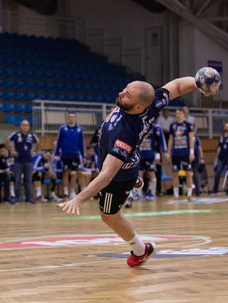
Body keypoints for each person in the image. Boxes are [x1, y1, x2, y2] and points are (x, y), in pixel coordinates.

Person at [58, 73, 216, 268]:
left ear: (138, 107)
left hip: (117, 176)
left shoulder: (125, 134)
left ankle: (141, 250)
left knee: (108, 216)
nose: (120, 93)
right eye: (125, 89)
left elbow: (107, 174)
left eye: (126, 95)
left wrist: (79, 199)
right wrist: (198, 82)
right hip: (127, 161)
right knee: (119, 171)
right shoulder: (151, 104)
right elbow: (176, 85)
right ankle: (134, 181)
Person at [55, 112, 85, 200]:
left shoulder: (79, 129)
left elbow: (81, 143)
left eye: (73, 117)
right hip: (65, 155)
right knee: (66, 173)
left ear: (75, 118)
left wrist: (83, 156)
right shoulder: (63, 128)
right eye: (70, 117)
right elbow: (59, 141)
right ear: (68, 118)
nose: (71, 118)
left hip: (75, 154)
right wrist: (56, 153)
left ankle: (83, 192)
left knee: (79, 173)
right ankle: (66, 194)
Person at [167, 109, 196, 200]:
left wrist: (191, 152)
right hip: (176, 153)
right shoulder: (173, 126)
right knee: (175, 174)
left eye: (180, 113)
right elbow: (170, 139)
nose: (178, 115)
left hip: (186, 153)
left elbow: (191, 139)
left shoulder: (188, 125)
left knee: (188, 174)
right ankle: (176, 195)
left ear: (184, 114)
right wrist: (168, 152)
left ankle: (189, 195)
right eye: (176, 113)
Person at [8, 120, 39, 204]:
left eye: (27, 125)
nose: (25, 127)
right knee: (17, 180)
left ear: (29, 127)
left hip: (28, 161)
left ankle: (29, 198)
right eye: (23, 125)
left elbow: (38, 143)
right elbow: (6, 141)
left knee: (28, 180)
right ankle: (16, 197)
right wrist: (11, 151)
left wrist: (34, 151)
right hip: (18, 161)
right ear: (20, 126)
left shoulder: (32, 135)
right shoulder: (15, 134)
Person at [134, 124, 166, 202]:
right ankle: (139, 193)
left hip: (150, 155)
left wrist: (158, 153)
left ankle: (152, 193)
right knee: (139, 174)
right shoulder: (138, 125)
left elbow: (158, 141)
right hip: (140, 155)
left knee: (151, 173)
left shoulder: (154, 128)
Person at [212, 122, 228, 196]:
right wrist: (216, 157)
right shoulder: (222, 136)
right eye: (226, 126)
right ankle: (215, 190)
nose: (227, 128)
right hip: (221, 158)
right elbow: (219, 147)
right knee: (217, 173)